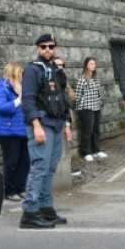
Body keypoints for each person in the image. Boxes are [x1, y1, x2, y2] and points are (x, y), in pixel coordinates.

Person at [20, 34, 72, 229]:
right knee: (40, 168)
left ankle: (46, 208)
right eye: (43, 47)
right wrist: (36, 126)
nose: (47, 50)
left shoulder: (56, 71)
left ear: (55, 48)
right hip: (42, 124)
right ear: (37, 49)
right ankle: (30, 212)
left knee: (50, 169)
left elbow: (62, 99)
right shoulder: (33, 71)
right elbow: (28, 100)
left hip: (56, 123)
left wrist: (67, 124)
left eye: (51, 46)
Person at [0, 62, 30, 202]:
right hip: (8, 131)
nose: (23, 75)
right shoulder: (2, 86)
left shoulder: (20, 86)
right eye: (21, 72)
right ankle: (9, 191)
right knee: (11, 162)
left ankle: (21, 188)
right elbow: (0, 107)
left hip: (22, 129)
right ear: (14, 72)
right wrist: (18, 101)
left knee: (24, 161)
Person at [74, 56, 106, 162]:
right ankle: (86, 152)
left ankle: (96, 150)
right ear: (86, 65)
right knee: (88, 131)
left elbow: (98, 93)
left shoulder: (95, 79)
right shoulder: (82, 79)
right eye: (91, 63)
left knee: (96, 130)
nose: (94, 65)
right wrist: (81, 107)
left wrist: (100, 102)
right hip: (86, 108)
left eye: (94, 64)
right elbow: (77, 96)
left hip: (96, 107)